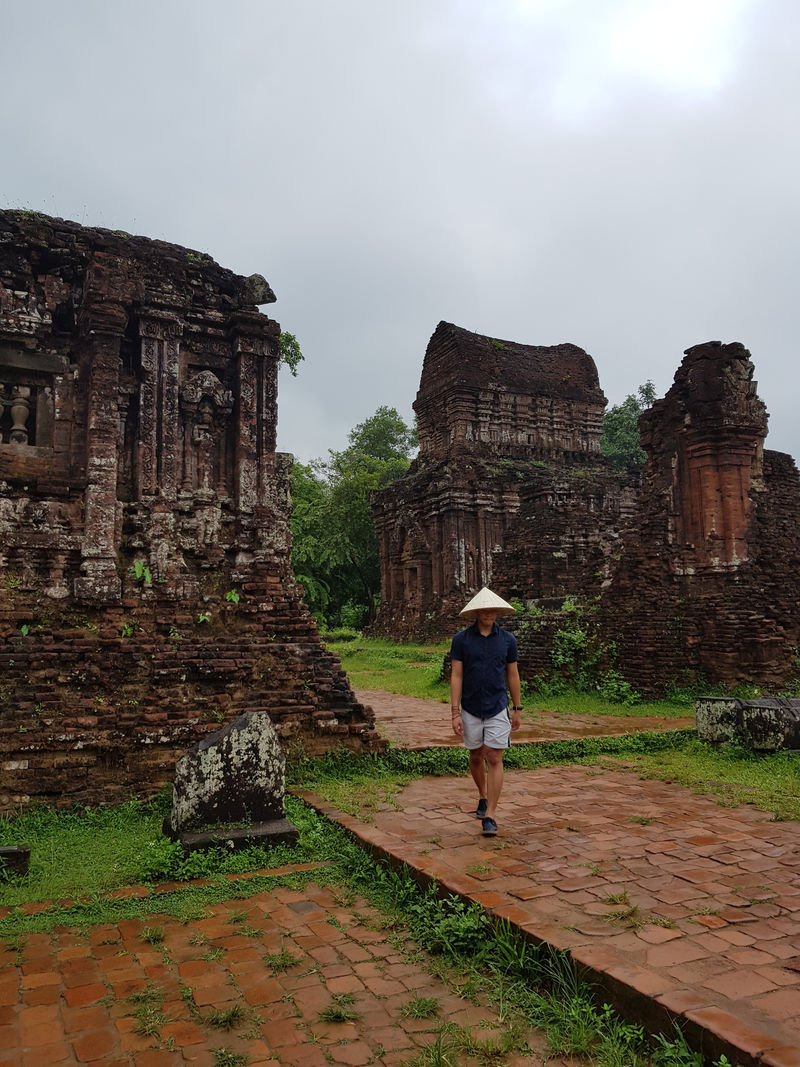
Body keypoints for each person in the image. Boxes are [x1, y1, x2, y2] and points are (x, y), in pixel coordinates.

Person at [449, 587, 522, 836]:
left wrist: (517, 708)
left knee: (494, 757)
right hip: (470, 706)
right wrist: (454, 712)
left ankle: (490, 814)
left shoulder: (507, 640)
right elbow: (457, 675)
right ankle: (482, 794)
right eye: (485, 610)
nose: (489, 613)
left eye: (493, 610)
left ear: (498, 612)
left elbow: (512, 675)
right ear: (477, 612)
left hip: (498, 705)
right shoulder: (461, 640)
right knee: (476, 756)